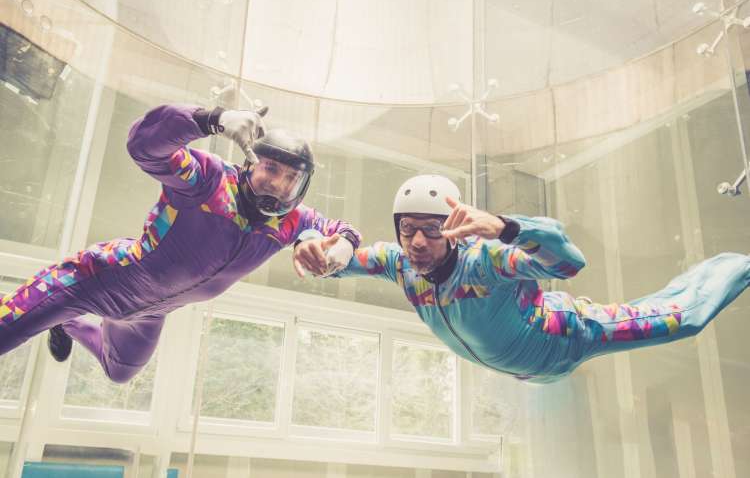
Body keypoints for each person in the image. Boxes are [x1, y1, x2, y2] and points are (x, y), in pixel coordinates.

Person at [0, 104, 359, 383]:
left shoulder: (294, 222)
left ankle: (66, 324)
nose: (278, 185)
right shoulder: (210, 179)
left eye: (291, 178)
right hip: (97, 278)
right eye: (271, 168)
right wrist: (210, 119)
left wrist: (339, 247)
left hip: (150, 312)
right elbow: (143, 146)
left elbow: (341, 231)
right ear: (251, 163)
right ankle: (63, 314)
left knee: (119, 372)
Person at [293, 175, 749, 384]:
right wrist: (318, 244)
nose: (416, 242)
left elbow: (568, 264)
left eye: (432, 231)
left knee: (684, 320)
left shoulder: (485, 261)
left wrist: (508, 228)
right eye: (407, 229)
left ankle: (742, 262)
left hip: (568, 336)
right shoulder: (400, 264)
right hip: (532, 374)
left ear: (452, 231)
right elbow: (344, 255)